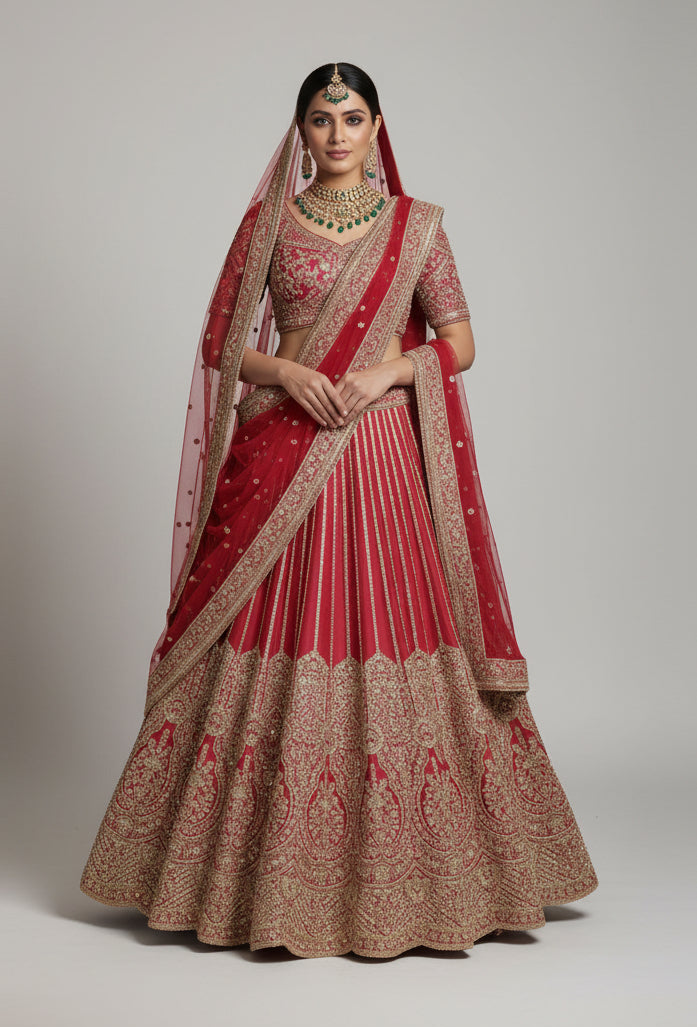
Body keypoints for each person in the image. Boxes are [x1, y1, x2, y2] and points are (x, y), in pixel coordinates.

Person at [80, 62, 598, 958]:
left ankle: (436, 874)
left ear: (377, 126)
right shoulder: (268, 225)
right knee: (264, 619)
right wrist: (288, 372)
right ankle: (243, 874)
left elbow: (459, 342)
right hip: (283, 448)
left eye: (352, 118)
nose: (336, 135)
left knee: (392, 617)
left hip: (382, 450)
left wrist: (385, 371)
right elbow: (222, 344)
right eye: (321, 120)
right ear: (301, 131)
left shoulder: (415, 227)